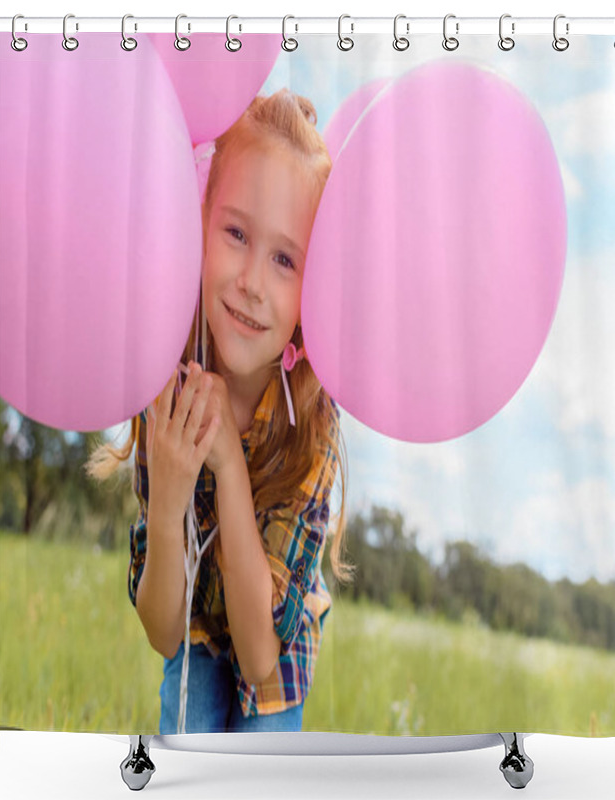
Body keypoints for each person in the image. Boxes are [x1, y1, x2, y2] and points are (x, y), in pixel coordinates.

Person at [87, 89, 354, 733]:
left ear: (311, 289)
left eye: (285, 259)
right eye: (235, 233)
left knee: (257, 754)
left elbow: (262, 658)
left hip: (275, 660)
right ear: (197, 224)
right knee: (192, 724)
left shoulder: (312, 428)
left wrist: (230, 467)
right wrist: (170, 495)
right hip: (197, 628)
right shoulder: (167, 384)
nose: (252, 283)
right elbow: (162, 630)